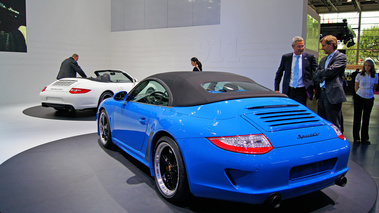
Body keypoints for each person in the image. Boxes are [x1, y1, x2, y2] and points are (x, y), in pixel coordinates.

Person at [314, 35, 347, 132]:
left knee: (334, 121)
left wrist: (321, 73)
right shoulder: (323, 59)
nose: (322, 48)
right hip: (322, 94)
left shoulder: (341, 57)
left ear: (331, 45)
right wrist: (324, 72)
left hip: (333, 94)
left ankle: (337, 142)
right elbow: (315, 75)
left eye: (324, 46)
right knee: (322, 121)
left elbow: (332, 71)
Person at [274, 36, 318, 106]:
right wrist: (277, 89)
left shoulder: (309, 57)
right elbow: (279, 73)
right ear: (293, 46)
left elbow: (317, 73)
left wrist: (315, 86)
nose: (301, 49)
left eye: (302, 46)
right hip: (289, 90)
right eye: (299, 47)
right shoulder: (286, 57)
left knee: (300, 110)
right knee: (288, 109)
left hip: (302, 90)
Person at [353, 59, 378, 144]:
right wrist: (358, 96)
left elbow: (374, 87)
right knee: (357, 118)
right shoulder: (359, 75)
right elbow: (356, 87)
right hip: (360, 97)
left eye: (369, 65)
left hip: (369, 98)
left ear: (372, 67)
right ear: (364, 66)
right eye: (366, 65)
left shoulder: (375, 76)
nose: (367, 67)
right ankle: (356, 137)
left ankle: (365, 138)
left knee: (366, 119)